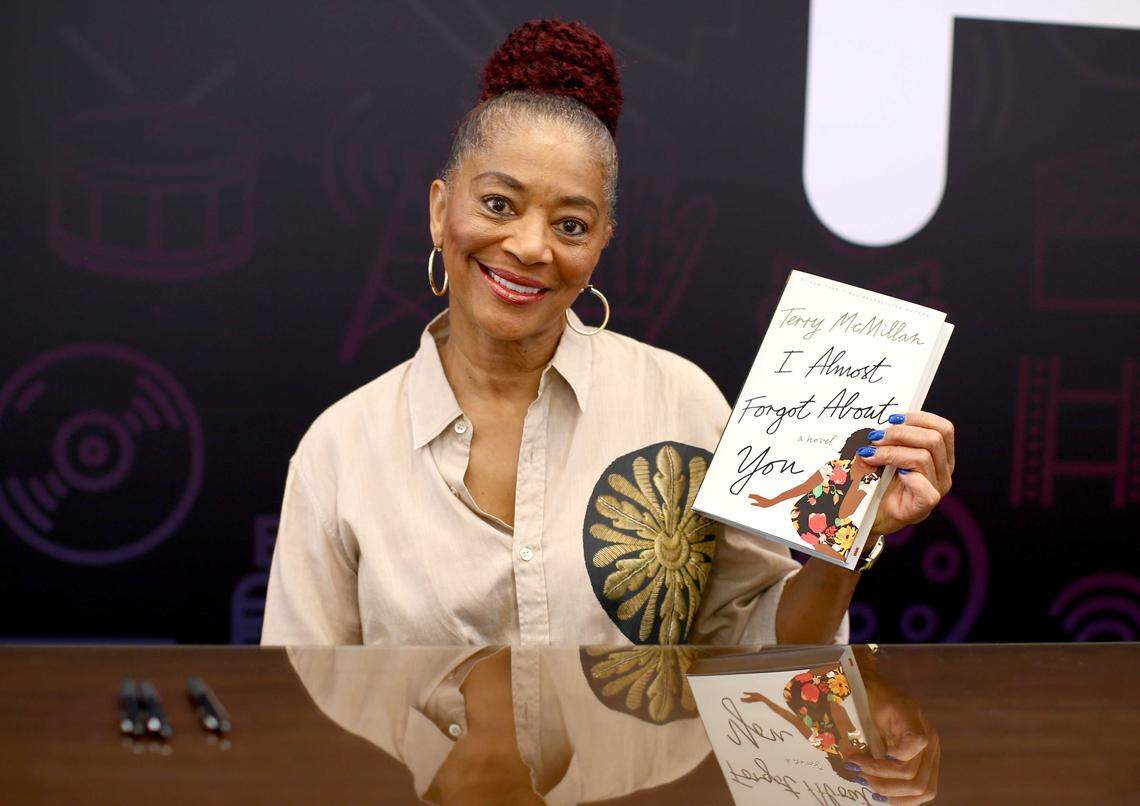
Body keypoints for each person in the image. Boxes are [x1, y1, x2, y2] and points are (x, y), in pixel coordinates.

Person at [261, 19, 956, 647]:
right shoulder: (339, 452)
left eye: (571, 224)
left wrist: (848, 532)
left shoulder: (680, 404)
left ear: (602, 243)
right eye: (499, 204)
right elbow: (302, 718)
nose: (532, 247)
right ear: (442, 211)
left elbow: (765, 655)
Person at [747, 428, 883, 563]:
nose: (867, 458)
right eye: (866, 449)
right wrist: (771, 501)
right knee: (838, 557)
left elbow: (844, 513)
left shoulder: (869, 481)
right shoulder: (834, 466)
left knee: (847, 550)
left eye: (874, 455)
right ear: (857, 448)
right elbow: (804, 487)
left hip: (838, 520)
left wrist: (858, 478)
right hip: (808, 514)